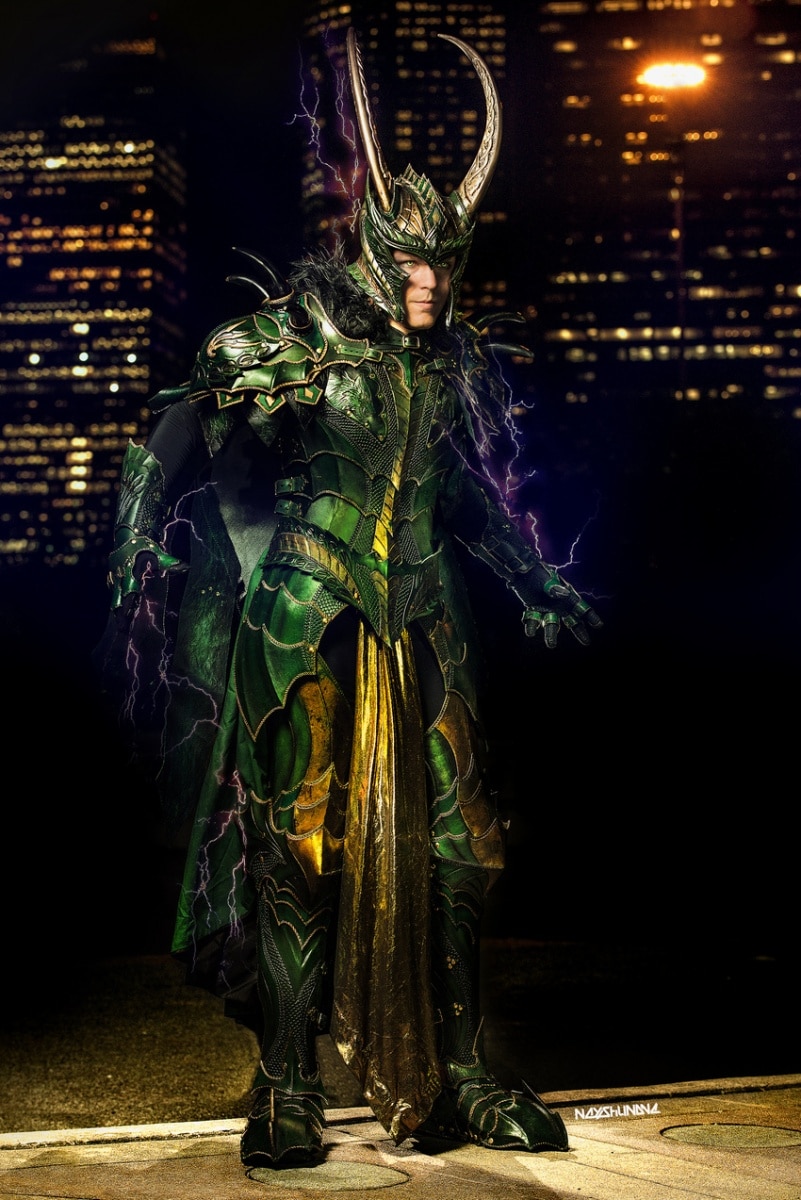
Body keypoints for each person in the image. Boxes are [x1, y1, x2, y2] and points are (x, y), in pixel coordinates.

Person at [100, 28, 601, 1171]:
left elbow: (457, 494)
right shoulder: (292, 338)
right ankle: (286, 1081)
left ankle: (462, 1072)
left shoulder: (446, 362)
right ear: (374, 247)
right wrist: (134, 540)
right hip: (306, 613)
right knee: (297, 848)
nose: (432, 283)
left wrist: (532, 576)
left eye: (446, 263)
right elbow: (169, 437)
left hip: (423, 616)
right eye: (413, 261)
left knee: (466, 846)